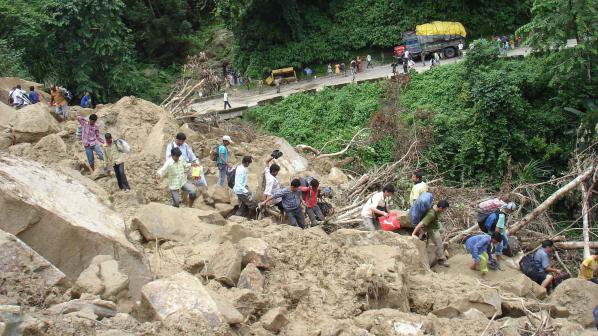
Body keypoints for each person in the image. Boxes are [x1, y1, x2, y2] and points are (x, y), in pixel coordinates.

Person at [166, 132, 209, 200]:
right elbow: (168, 159)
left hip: (187, 166)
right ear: (177, 139)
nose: (182, 142)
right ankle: (179, 198)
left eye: (183, 141)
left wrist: (196, 162)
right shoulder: (171, 146)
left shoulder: (185, 145)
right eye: (181, 141)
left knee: (199, 170)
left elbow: (191, 155)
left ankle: (203, 191)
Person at [411, 200, 450, 266]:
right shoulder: (431, 215)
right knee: (439, 244)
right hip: (431, 228)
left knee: (441, 230)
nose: (445, 210)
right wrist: (413, 233)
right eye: (445, 209)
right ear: (440, 208)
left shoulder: (435, 207)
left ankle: (424, 239)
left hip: (433, 225)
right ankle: (441, 259)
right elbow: (421, 224)